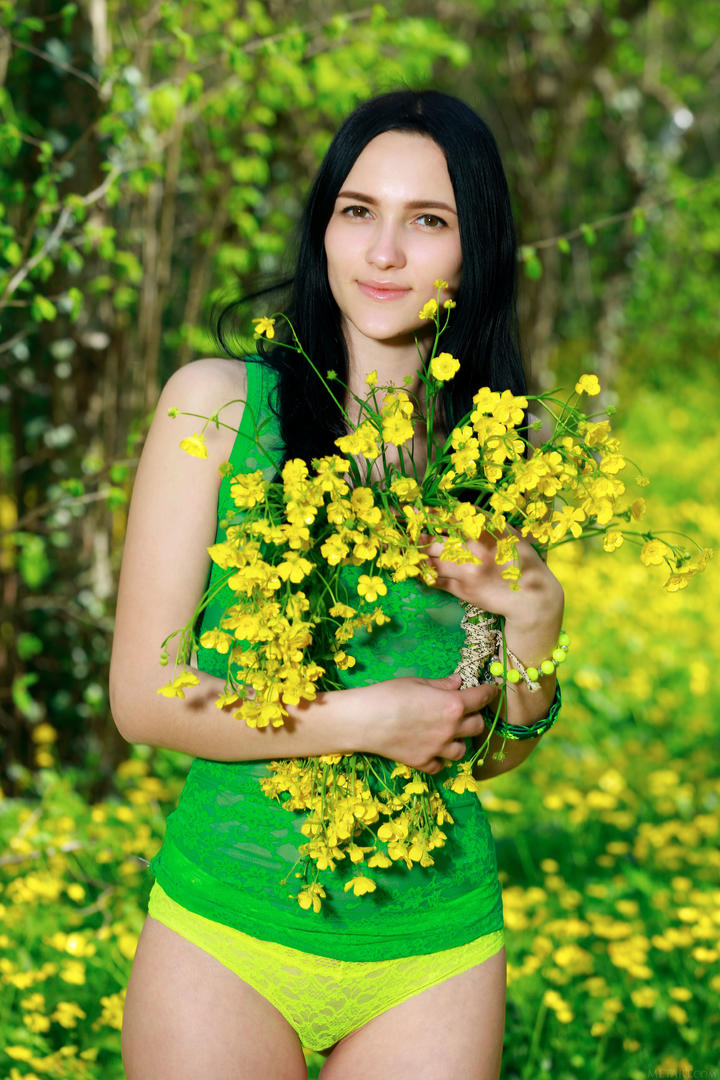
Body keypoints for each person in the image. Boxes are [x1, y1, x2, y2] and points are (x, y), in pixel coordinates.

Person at [111, 89, 564, 1080]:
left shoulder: (506, 445)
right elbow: (144, 701)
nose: (384, 252)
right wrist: (362, 720)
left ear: (474, 247)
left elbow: (490, 753)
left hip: (435, 949)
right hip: (226, 929)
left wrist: (536, 626)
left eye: (427, 221)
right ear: (324, 227)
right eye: (358, 211)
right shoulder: (218, 409)